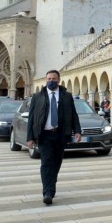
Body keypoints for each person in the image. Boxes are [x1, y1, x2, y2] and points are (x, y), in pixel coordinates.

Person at [26, 70, 82, 205]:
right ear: (46, 80)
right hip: (44, 135)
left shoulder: (66, 96)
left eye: (54, 79)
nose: (51, 81)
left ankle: (51, 184)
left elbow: (73, 114)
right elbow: (31, 118)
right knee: (46, 163)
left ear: (59, 80)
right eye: (49, 79)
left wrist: (77, 131)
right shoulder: (38, 97)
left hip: (60, 134)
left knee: (56, 163)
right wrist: (30, 137)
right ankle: (47, 192)